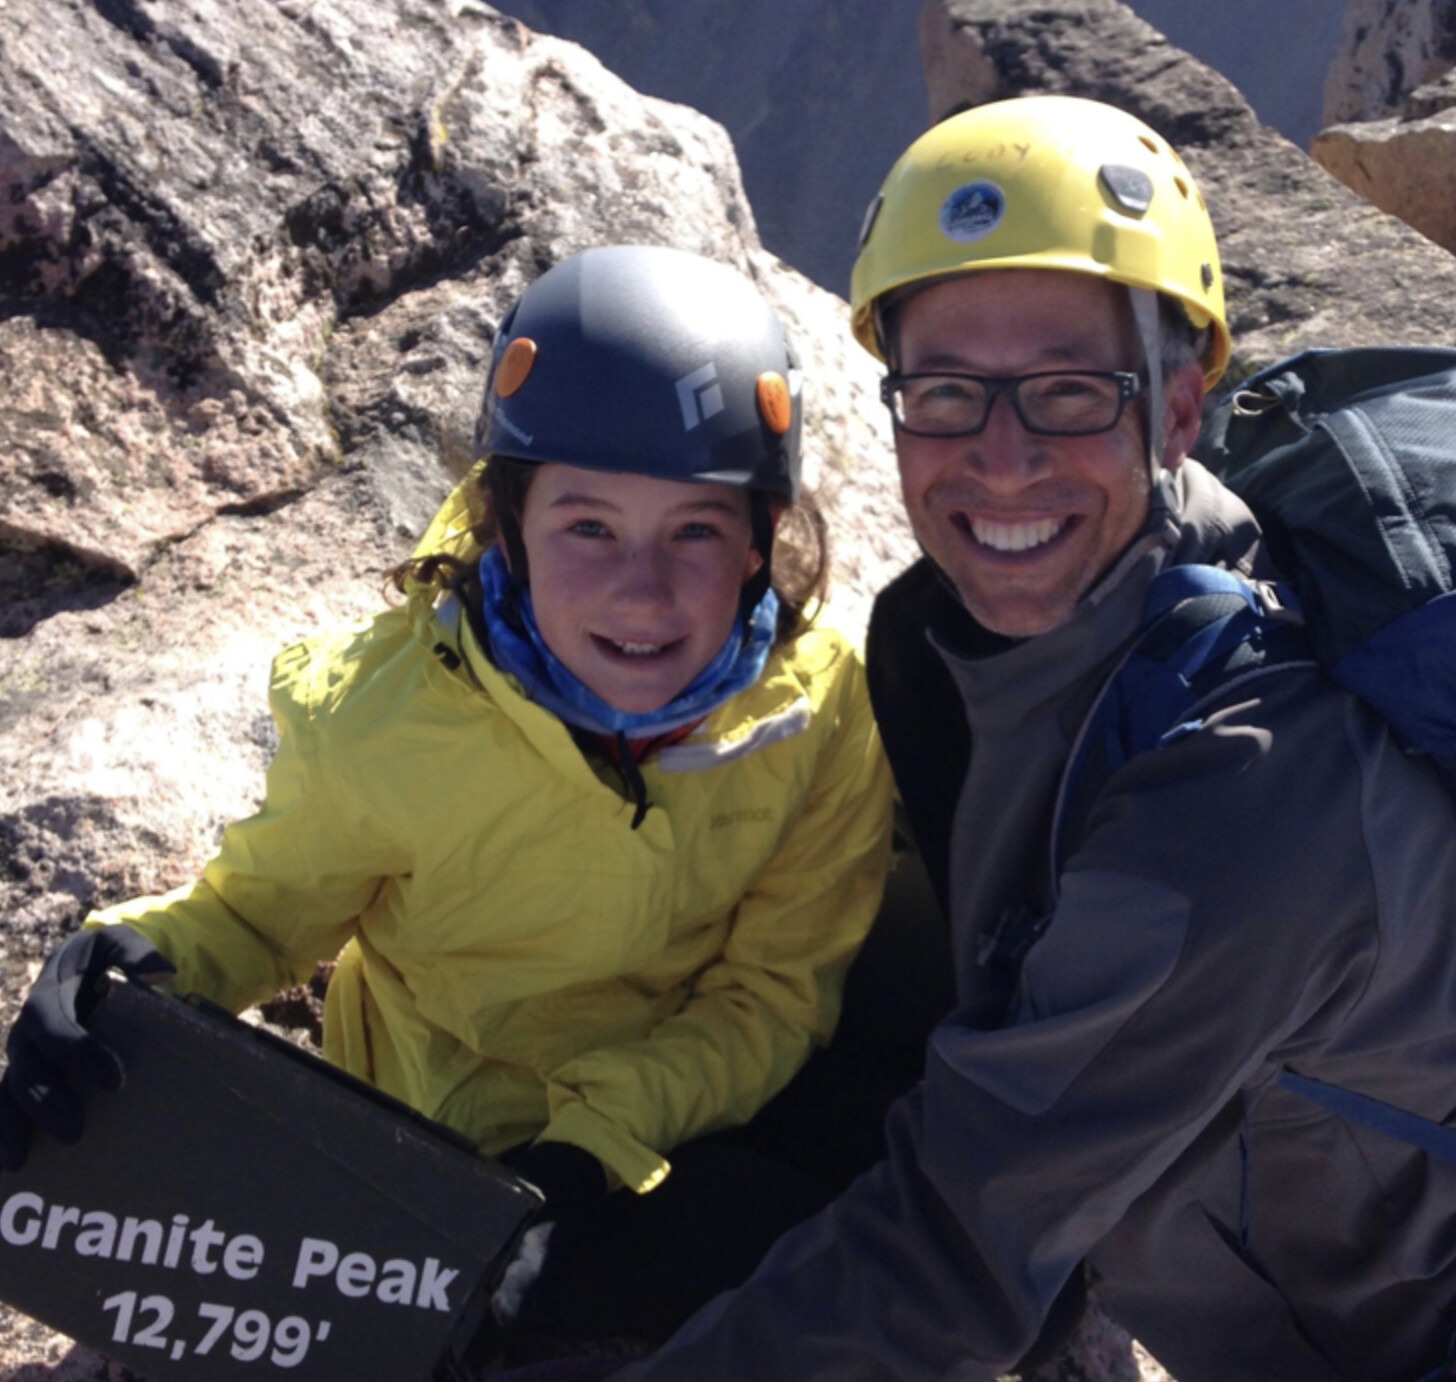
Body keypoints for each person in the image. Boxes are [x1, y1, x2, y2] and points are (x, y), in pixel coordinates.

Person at [604, 96, 1456, 1382]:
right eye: (947, 393)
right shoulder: (960, 652)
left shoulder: (1253, 790)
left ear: (1178, 410)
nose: (1000, 463)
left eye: (1066, 392)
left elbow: (952, 1252)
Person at [0, 245, 894, 1362]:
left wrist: (587, 1152)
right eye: (588, 526)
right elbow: (257, 917)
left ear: (762, 539)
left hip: (656, 1132)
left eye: (696, 531)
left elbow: (768, 997)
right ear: (504, 522)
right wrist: (124, 964)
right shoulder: (394, 720)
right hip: (424, 1150)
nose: (643, 589)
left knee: (816, 1269)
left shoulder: (820, 715)